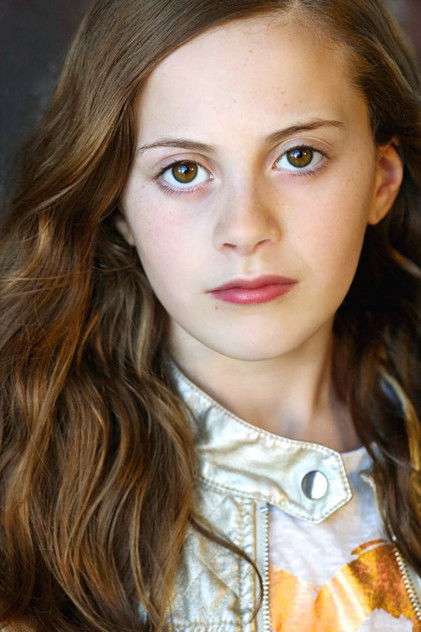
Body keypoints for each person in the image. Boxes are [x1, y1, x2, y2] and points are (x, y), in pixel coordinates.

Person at [0, 0, 420, 630]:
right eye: (184, 170)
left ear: (381, 181)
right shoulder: (24, 500)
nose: (244, 229)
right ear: (118, 205)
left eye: (298, 156)